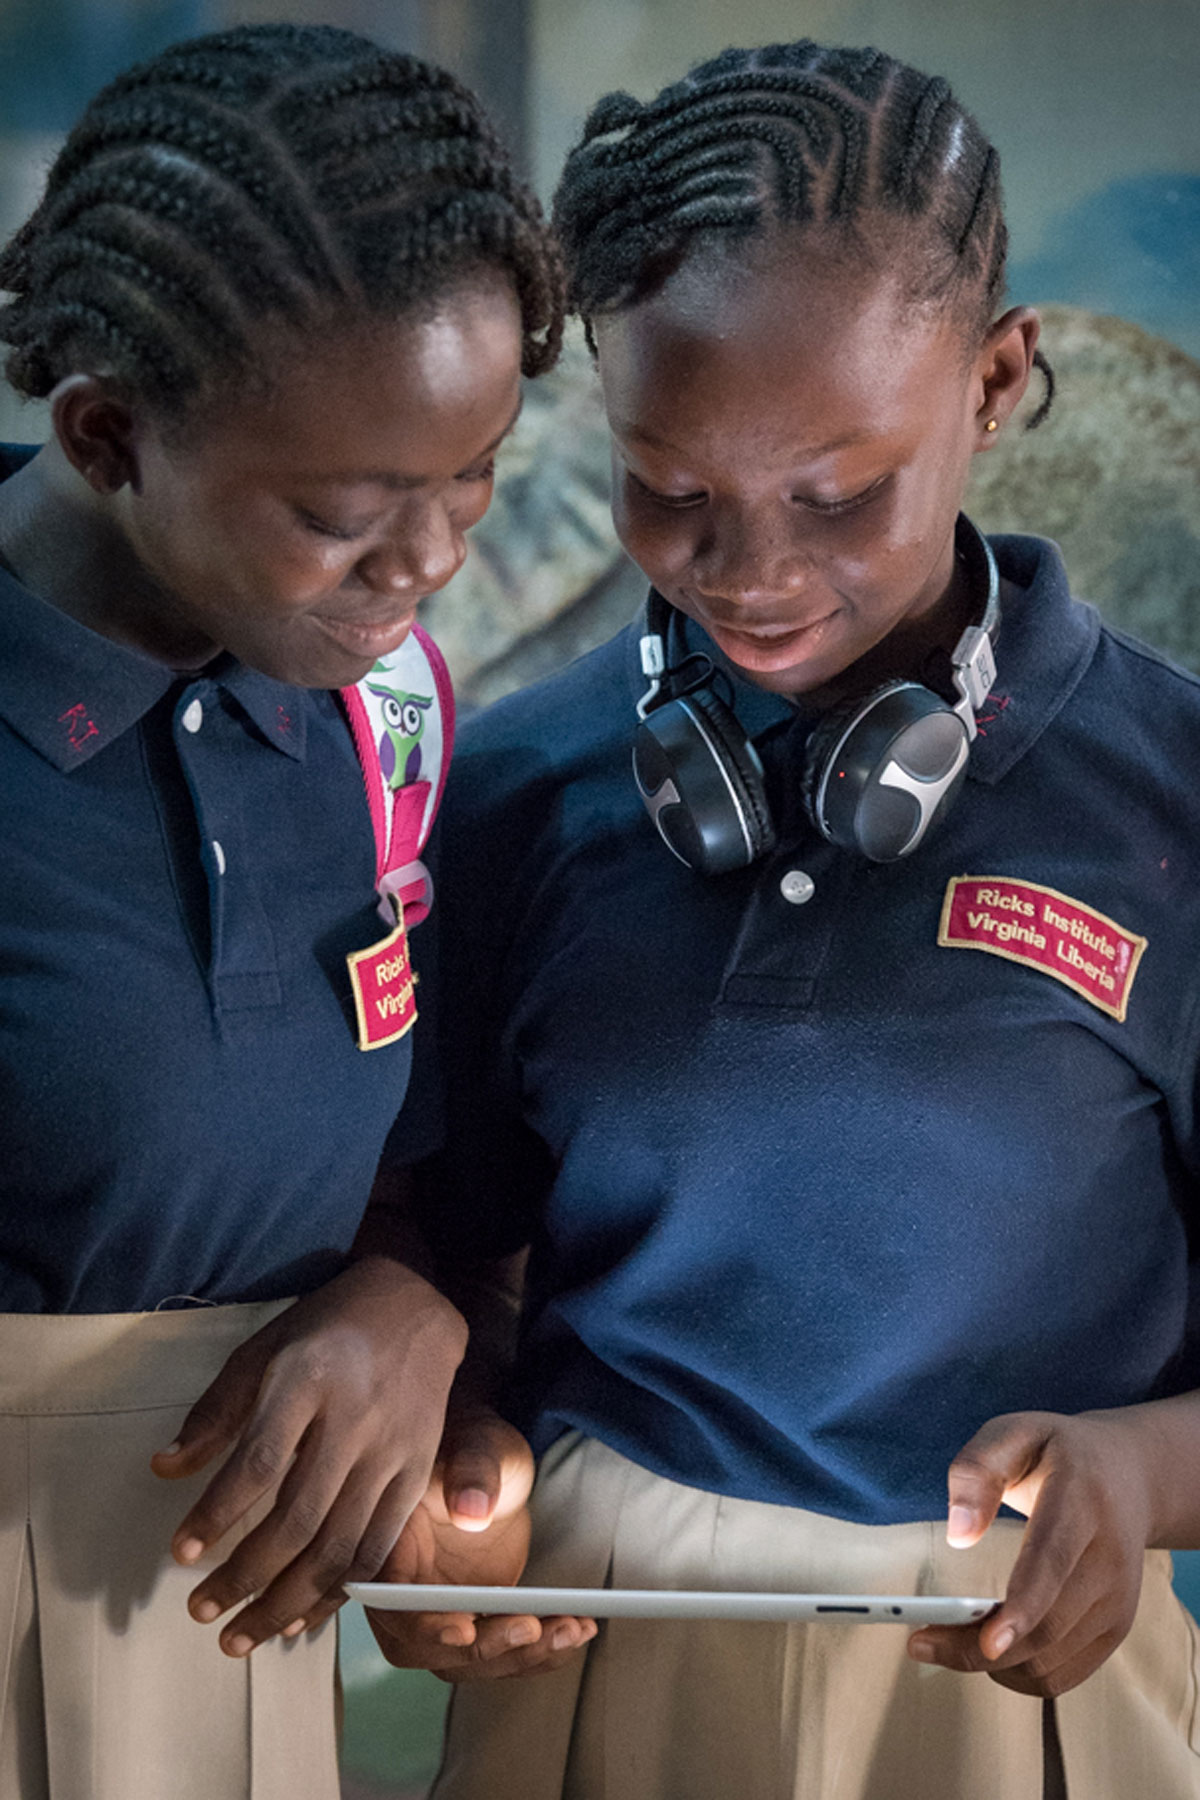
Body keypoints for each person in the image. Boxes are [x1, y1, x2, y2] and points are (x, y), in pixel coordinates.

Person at [365, 39, 1200, 1800]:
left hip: (1010, 1678)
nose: (750, 572)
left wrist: (1142, 1471)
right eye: (672, 489)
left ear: (995, 380)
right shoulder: (520, 793)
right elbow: (457, 1268)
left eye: (839, 496)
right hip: (608, 1656)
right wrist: (460, 1448)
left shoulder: (1173, 796)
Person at [0, 22, 563, 1799]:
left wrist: (416, 1315)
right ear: (106, 433)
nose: (431, 562)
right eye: (343, 512)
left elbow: (404, 1169)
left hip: (228, 1632)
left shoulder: (385, 715)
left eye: (471, 470)